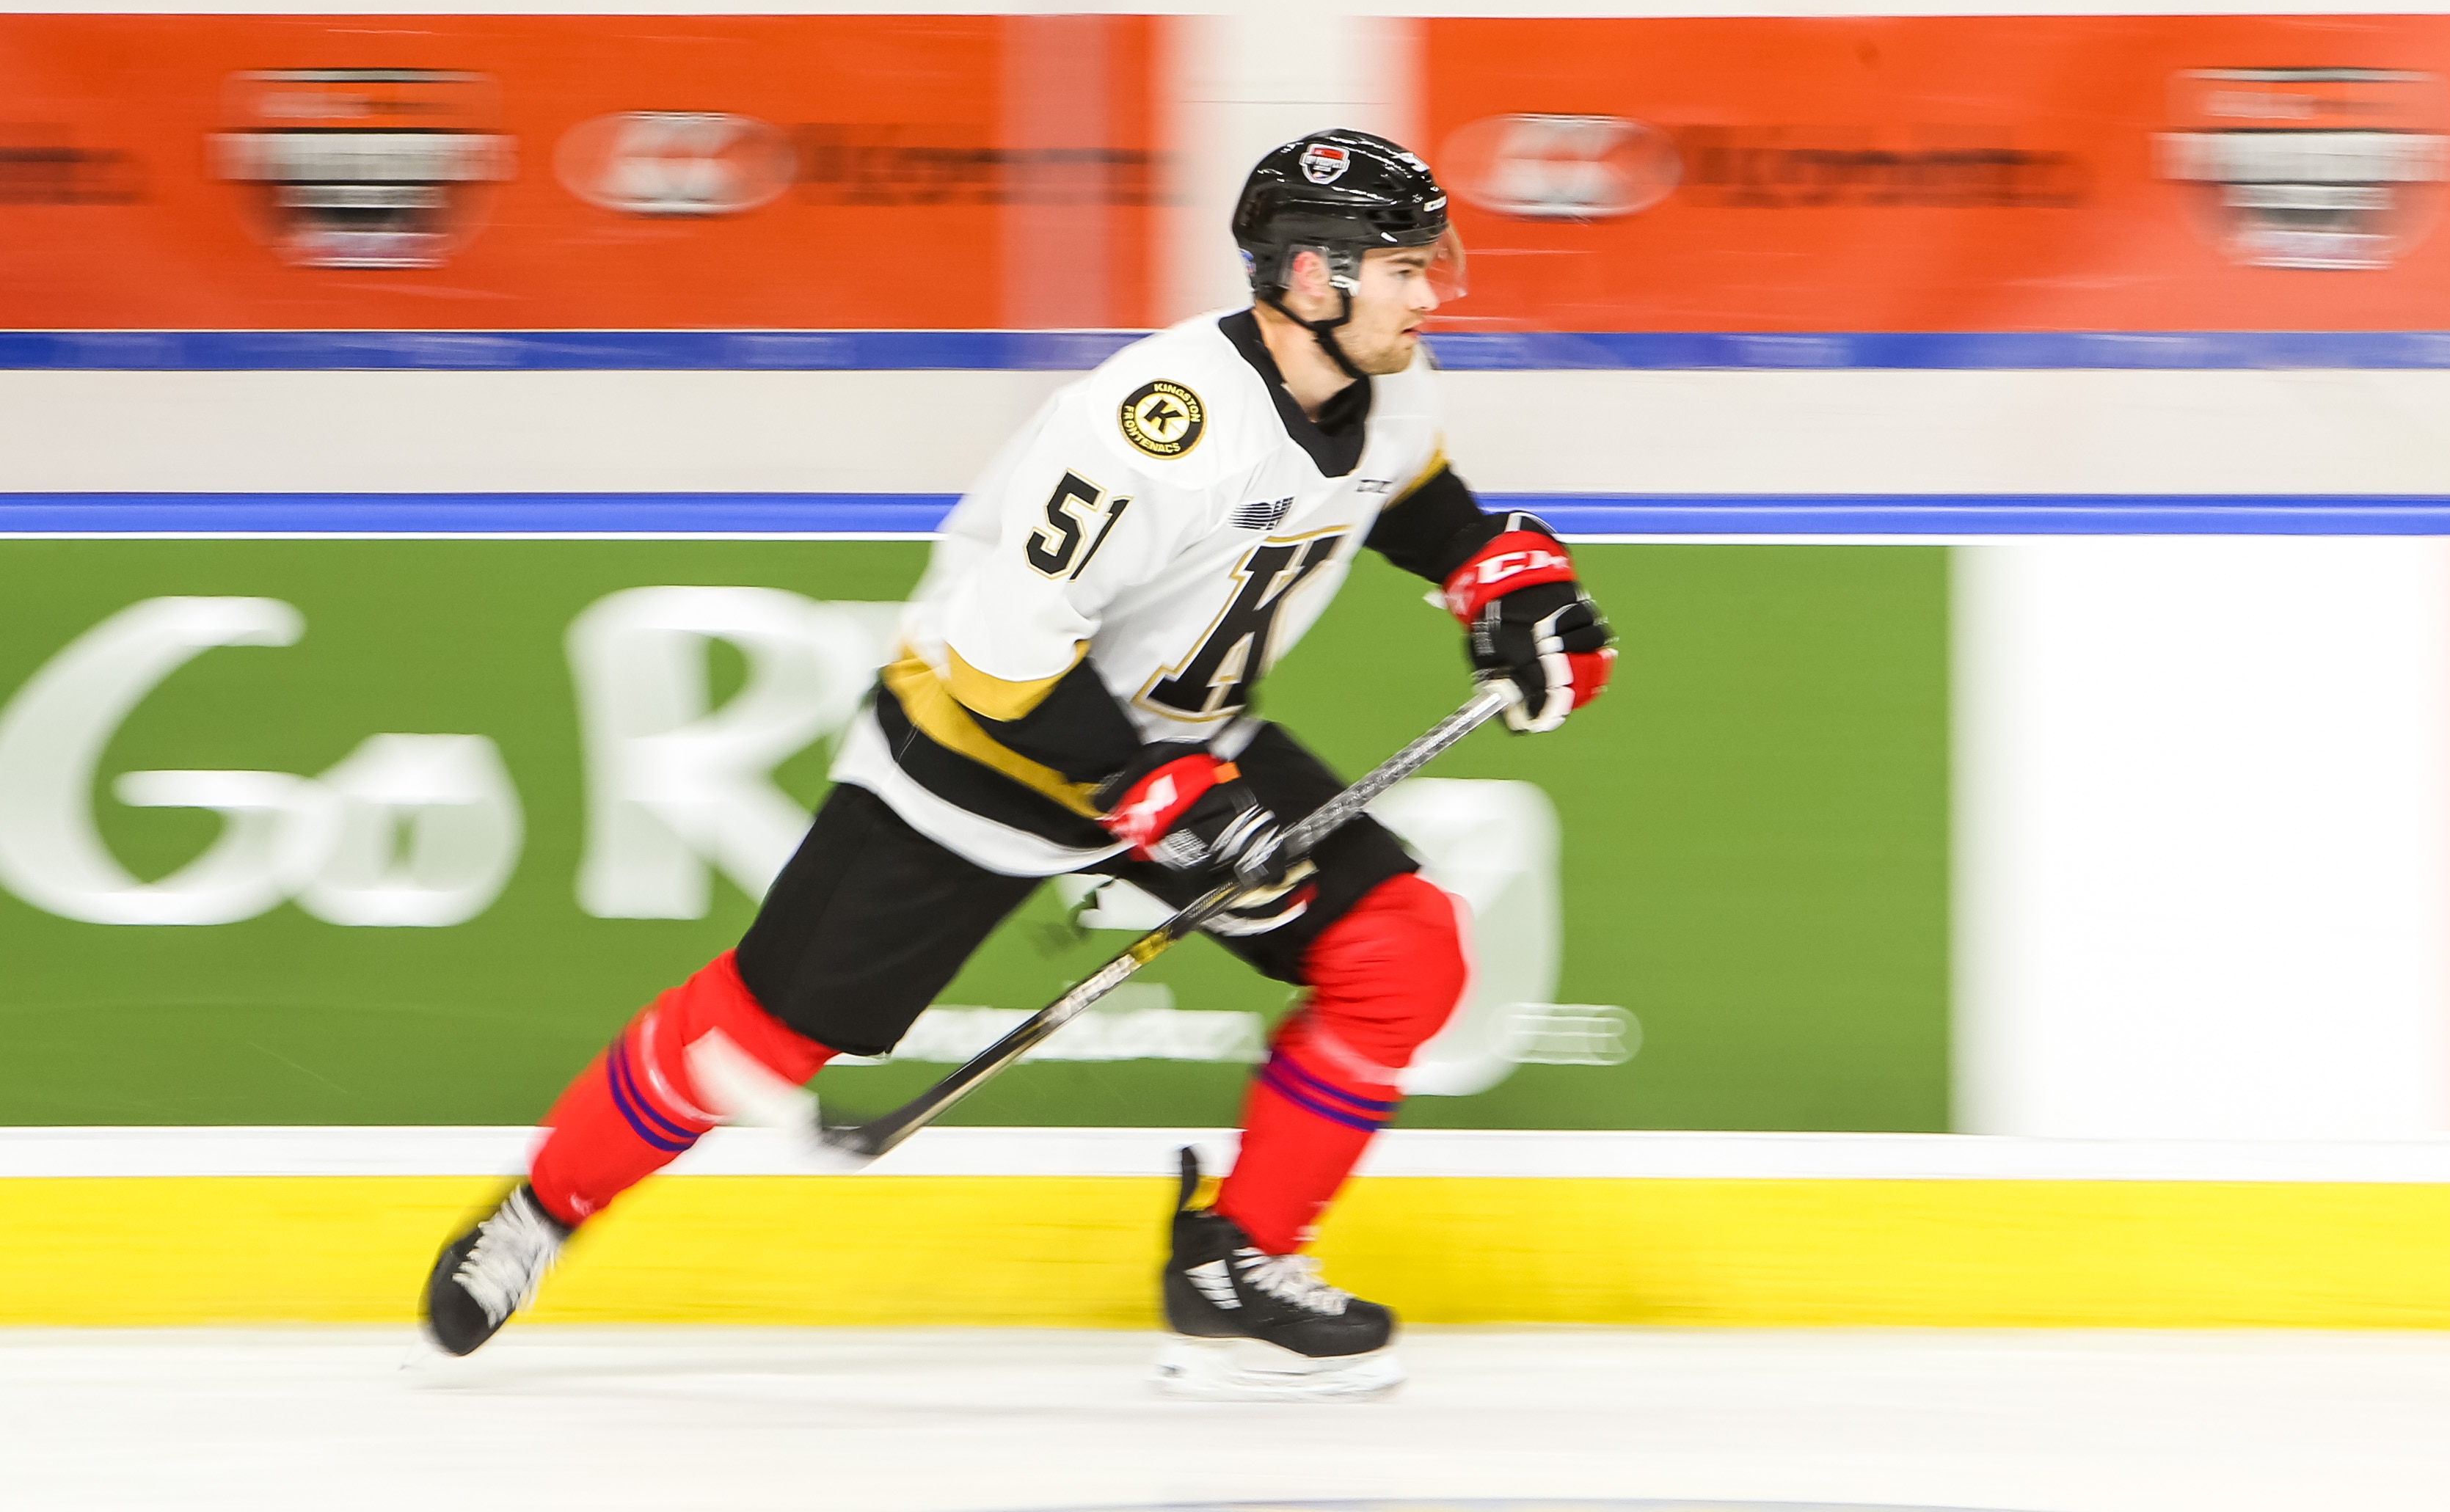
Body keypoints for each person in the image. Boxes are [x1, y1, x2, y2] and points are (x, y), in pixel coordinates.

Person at [419, 128, 1616, 1400]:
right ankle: (544, 1211)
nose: (1430, 295)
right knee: (762, 1035)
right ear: (1311, 278)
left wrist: (1496, 579)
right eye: (1402, 269)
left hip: (1183, 741)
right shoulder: (1156, 427)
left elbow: (1405, 490)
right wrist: (1157, 799)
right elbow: (1001, 653)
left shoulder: (1388, 384)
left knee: (1399, 949)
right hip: (980, 752)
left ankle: (1241, 1261)